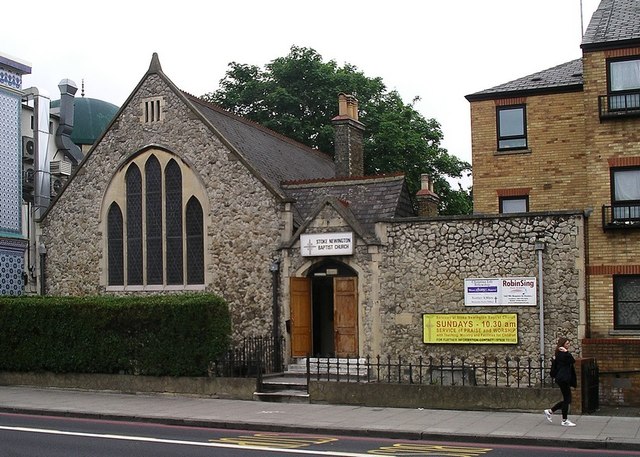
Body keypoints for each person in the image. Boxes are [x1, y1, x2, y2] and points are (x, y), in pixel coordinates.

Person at [544, 337, 577, 426]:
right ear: (562, 345)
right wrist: (566, 352)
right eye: (567, 344)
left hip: (563, 379)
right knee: (567, 399)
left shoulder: (559, 354)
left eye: (569, 343)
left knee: (567, 399)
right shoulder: (562, 354)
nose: (568, 345)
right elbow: (572, 360)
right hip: (563, 379)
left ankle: (550, 411)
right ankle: (564, 420)